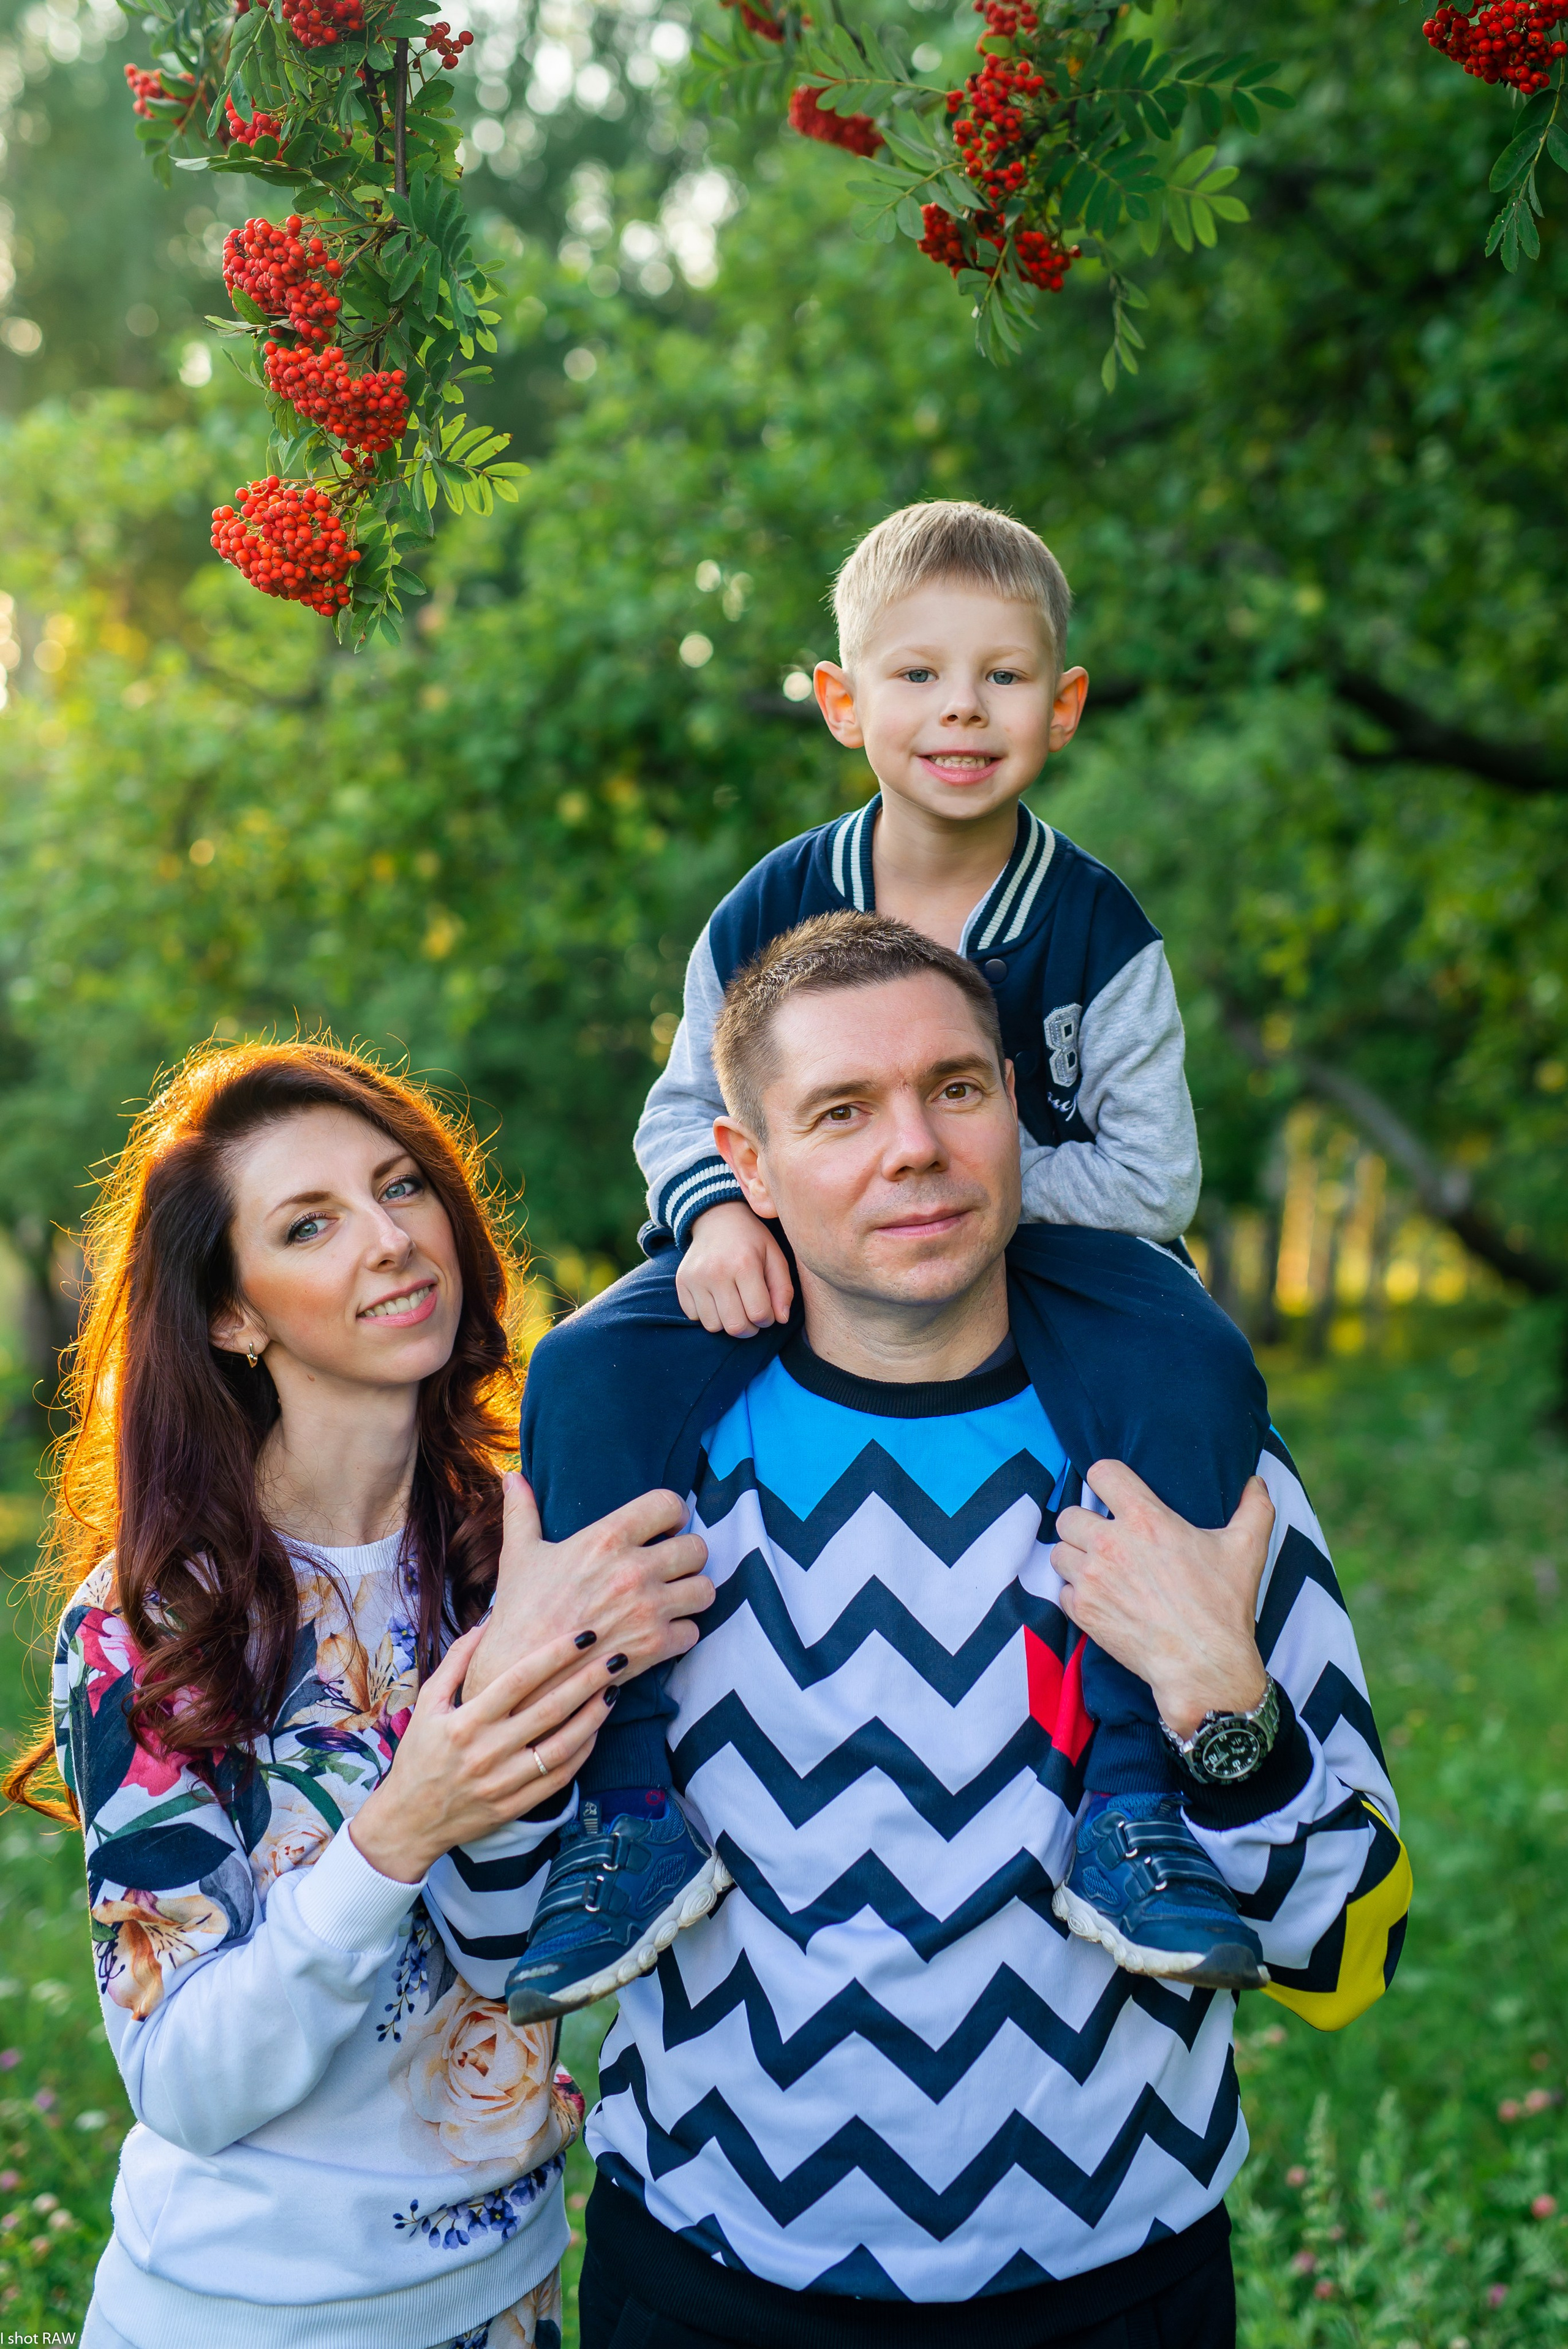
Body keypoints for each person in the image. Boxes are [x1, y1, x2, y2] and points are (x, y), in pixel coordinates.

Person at [488, 917, 1409, 2346]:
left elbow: (1347, 1957)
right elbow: (496, 1937)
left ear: (1009, 1115)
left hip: (1116, 2283)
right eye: (840, 1112)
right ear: (745, 1169)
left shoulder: (1184, 1467)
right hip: (702, 2275)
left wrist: (1215, 1688)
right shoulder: (632, 1487)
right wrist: (519, 1698)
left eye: (955, 1089)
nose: (911, 1147)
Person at [512, 497, 1246, 2011]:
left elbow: (1152, 1170)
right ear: (845, 703)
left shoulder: (1097, 928)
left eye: (997, 677)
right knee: (586, 1369)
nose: (957, 712)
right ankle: (627, 1803)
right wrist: (720, 1213)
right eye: (914, 677)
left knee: (1192, 1356)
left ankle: (1129, 1796)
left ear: (1062, 705)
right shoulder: (774, 901)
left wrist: (957, 1189)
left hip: (1058, 1246)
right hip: (792, 1236)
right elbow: (679, 1113)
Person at [4, 1040, 712, 2349]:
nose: (389, 1240)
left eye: (401, 1188)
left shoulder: (535, 1552)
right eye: (311, 1224)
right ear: (233, 1314)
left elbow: (521, 1963)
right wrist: (401, 1825)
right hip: (241, 2318)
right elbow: (189, 2081)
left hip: (509, 2298)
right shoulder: (153, 1623)